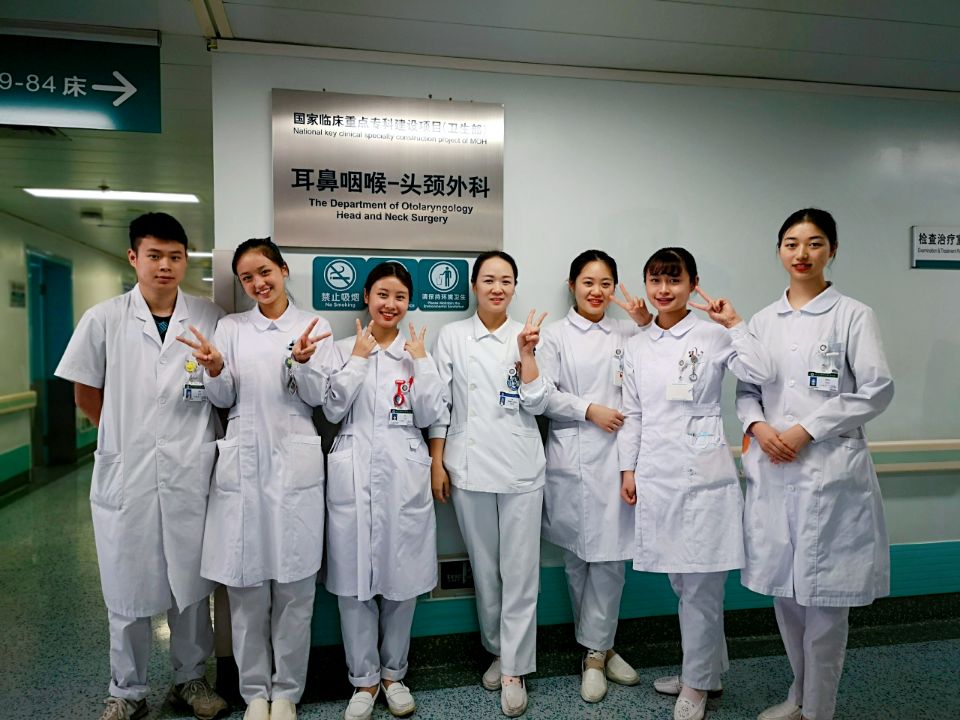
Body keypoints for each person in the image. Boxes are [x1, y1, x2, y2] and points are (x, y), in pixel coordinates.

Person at [55, 212, 228, 720]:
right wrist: (121, 436)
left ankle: (190, 680)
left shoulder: (209, 316)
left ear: (185, 260)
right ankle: (127, 691)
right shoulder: (104, 318)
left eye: (175, 256)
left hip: (189, 470)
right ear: (134, 257)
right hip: (127, 472)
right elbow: (85, 390)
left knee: (190, 585)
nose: (164, 265)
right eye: (154, 255)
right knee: (125, 586)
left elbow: (224, 385)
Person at [736, 209, 894, 720]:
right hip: (774, 468)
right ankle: (799, 697)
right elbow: (746, 389)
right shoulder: (763, 320)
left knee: (825, 603)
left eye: (814, 242)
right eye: (791, 243)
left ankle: (819, 710)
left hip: (829, 469)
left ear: (833, 249)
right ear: (779, 250)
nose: (801, 253)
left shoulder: (853, 315)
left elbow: (876, 389)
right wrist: (759, 428)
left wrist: (807, 429)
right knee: (786, 595)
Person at [178, 238, 336, 720]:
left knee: (294, 590)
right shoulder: (231, 327)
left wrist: (303, 363)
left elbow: (319, 398)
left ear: (283, 270)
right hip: (244, 463)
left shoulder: (314, 326)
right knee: (246, 590)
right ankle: (254, 694)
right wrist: (215, 368)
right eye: (247, 278)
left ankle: (286, 691)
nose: (258, 283)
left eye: (264, 272)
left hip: (294, 458)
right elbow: (223, 398)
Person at [618, 247, 775, 720]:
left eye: (674, 279)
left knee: (702, 585)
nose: (664, 289)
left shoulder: (713, 335)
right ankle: (708, 670)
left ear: (692, 283)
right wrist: (628, 468)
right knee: (682, 582)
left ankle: (696, 684)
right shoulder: (638, 344)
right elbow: (633, 413)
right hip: (657, 472)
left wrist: (735, 324)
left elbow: (761, 373)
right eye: (656, 280)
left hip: (703, 473)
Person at [322, 262, 448, 720]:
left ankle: (394, 676)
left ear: (409, 302)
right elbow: (332, 409)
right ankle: (364, 681)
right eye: (382, 294)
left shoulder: (417, 353)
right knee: (354, 583)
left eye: (399, 297)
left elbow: (432, 412)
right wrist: (358, 358)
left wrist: (422, 361)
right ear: (366, 297)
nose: (390, 304)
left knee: (402, 580)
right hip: (353, 469)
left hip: (404, 471)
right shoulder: (342, 349)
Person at [429, 250, 548, 718]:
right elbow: (440, 404)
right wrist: (437, 462)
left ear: (515, 286)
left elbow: (538, 402)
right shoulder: (452, 336)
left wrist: (527, 354)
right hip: (469, 464)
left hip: (521, 466)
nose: (498, 287)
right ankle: (499, 651)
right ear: (474, 285)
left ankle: (516, 669)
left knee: (521, 571)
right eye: (489, 279)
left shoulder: (531, 334)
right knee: (485, 569)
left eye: (506, 280)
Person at [538, 250, 653, 702]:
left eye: (606, 283)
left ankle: (594, 654)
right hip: (572, 455)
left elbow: (656, 370)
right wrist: (589, 409)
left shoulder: (628, 331)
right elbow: (542, 394)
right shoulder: (554, 335)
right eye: (588, 282)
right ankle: (598, 646)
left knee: (610, 560)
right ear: (572, 286)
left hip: (620, 458)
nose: (597, 291)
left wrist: (646, 323)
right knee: (576, 560)